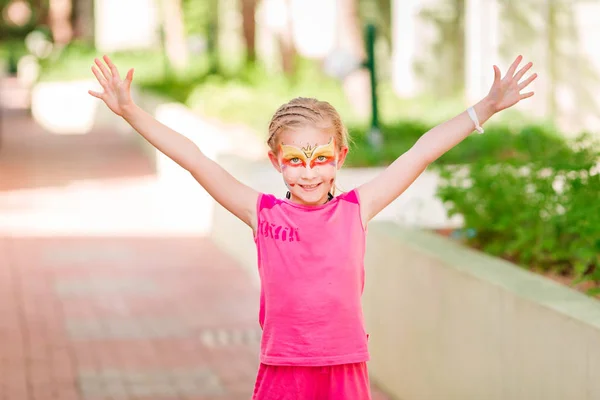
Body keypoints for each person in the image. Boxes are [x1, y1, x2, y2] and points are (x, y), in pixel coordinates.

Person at [89, 54, 536, 399]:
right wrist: (131, 112)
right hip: (284, 366)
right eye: (295, 162)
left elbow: (420, 152)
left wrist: (486, 108)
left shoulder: (357, 209)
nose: (309, 173)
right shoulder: (260, 212)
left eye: (320, 158)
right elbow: (194, 159)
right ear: (276, 162)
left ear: (339, 157)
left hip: (345, 366)